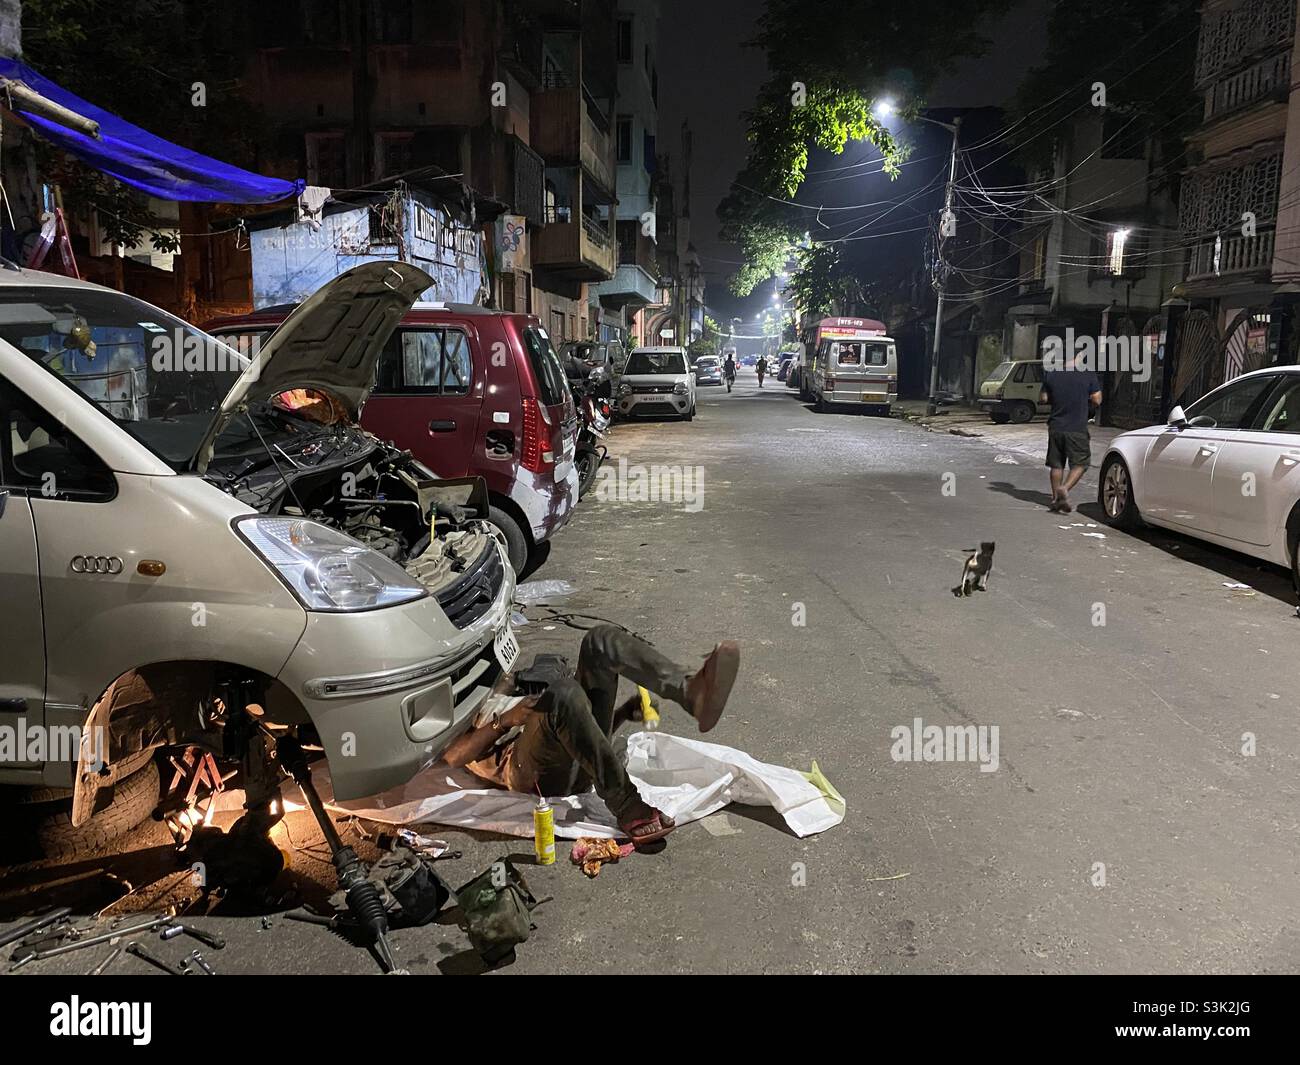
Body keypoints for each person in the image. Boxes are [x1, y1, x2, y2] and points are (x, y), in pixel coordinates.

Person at [441, 626, 740, 848]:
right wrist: (506, 720)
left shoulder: (486, 678)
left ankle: (690, 692)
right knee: (564, 693)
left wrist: (621, 713)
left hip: (563, 759)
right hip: (524, 773)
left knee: (599, 642)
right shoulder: (449, 694)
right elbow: (452, 756)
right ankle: (626, 804)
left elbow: (577, 734)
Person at [1040, 349, 1103, 513]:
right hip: (1076, 427)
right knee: (1081, 462)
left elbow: (1043, 398)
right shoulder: (1087, 373)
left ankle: (1055, 500)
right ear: (1079, 355)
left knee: (1056, 464)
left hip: (1055, 426)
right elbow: (1097, 399)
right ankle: (1065, 488)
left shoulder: (1051, 374)